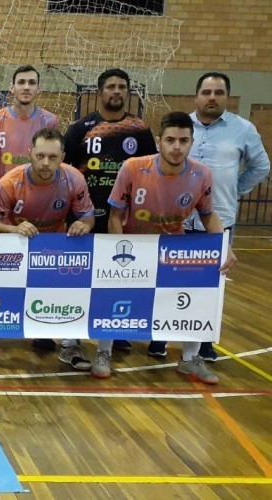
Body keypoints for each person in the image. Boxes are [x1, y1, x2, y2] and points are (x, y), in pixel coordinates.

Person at [96, 111, 237, 382]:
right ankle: (104, 352)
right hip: (134, 248)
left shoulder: (202, 174)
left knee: (196, 296)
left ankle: (189, 359)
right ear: (159, 141)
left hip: (174, 250)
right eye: (170, 140)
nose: (176, 146)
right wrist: (118, 251)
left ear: (191, 143)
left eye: (183, 140)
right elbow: (115, 216)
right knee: (114, 300)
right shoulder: (133, 167)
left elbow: (208, 216)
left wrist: (224, 245)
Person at [161, 72, 270, 362]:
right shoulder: (180, 126)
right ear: (196, 96)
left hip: (217, 219)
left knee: (211, 284)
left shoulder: (243, 129)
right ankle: (159, 338)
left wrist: (234, 190)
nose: (212, 97)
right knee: (167, 279)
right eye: (207, 92)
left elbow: (261, 167)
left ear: (227, 97)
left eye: (218, 93)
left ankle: (204, 342)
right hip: (177, 219)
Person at [63, 68, 157, 354]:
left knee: (118, 278)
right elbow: (65, 172)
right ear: (100, 91)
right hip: (85, 218)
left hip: (123, 220)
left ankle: (116, 330)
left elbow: (149, 172)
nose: (116, 91)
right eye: (111, 86)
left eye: (122, 87)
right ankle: (72, 334)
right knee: (79, 279)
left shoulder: (139, 130)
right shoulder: (80, 128)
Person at [0, 64, 59, 370]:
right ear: (11, 88)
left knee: (38, 276)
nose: (26, 87)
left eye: (31, 82)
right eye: (21, 82)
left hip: (39, 209)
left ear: (38, 88)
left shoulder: (51, 121)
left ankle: (41, 328)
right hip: (2, 209)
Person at [0, 127, 96, 372]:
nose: (46, 163)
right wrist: (15, 229)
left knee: (70, 292)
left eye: (53, 157)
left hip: (54, 250)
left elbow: (89, 215)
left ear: (63, 156)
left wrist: (83, 224)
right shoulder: (9, 182)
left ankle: (70, 344)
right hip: (15, 249)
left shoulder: (74, 179)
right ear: (30, 153)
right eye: (40, 156)